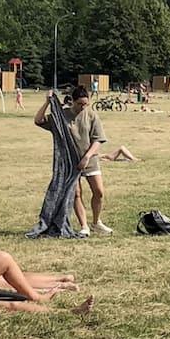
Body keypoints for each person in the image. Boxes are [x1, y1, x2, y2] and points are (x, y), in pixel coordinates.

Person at [38, 86, 109, 235]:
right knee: (76, 193)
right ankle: (84, 226)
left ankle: (96, 222)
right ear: (72, 102)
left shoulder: (91, 116)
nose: (83, 107)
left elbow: (98, 140)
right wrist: (47, 102)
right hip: (70, 163)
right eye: (80, 104)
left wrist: (87, 156)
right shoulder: (61, 116)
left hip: (89, 160)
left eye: (86, 104)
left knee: (99, 192)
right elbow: (38, 120)